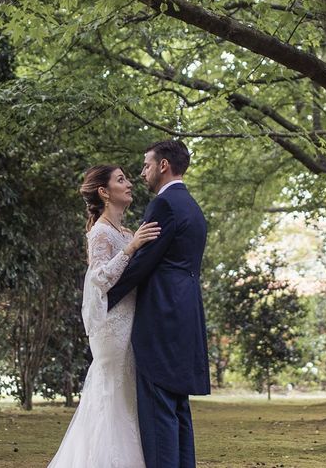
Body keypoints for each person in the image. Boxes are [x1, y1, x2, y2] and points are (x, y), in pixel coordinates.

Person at [47, 164, 160, 468]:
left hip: (131, 319)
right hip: (112, 326)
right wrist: (131, 248)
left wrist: (133, 242)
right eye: (121, 180)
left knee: (126, 397)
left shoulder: (123, 231)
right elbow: (99, 278)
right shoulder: (100, 232)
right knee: (113, 394)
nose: (129, 184)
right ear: (104, 192)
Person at [107, 139, 211, 468]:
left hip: (161, 317)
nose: (142, 173)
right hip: (186, 315)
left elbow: (143, 262)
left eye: (146, 165)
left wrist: (104, 298)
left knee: (158, 411)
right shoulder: (192, 207)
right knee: (178, 409)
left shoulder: (164, 206)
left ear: (163, 166)